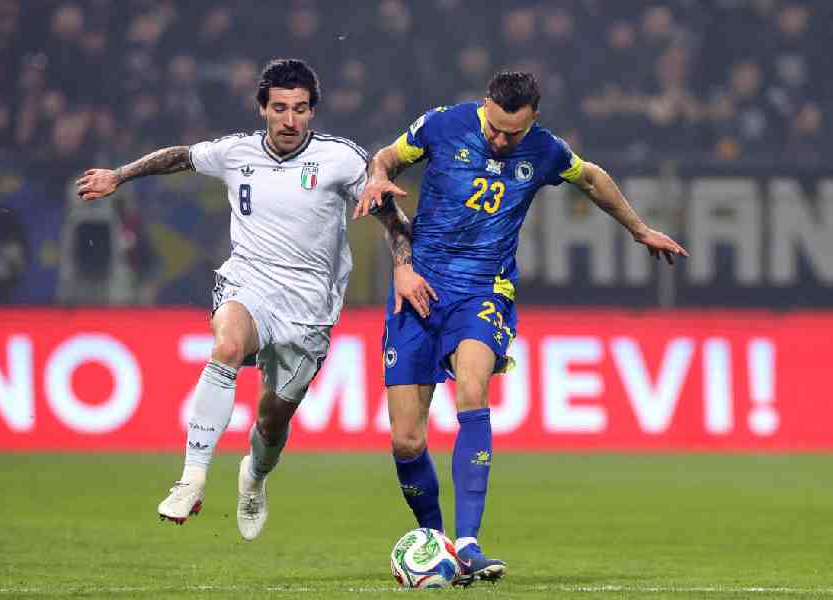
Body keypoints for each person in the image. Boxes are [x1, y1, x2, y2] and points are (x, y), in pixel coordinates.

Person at [354, 71, 688, 585]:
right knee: (405, 440)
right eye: (495, 128)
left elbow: (593, 178)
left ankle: (468, 543)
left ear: (533, 119)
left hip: (484, 290)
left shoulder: (546, 151)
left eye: (513, 134)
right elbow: (386, 158)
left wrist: (641, 231)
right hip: (420, 285)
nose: (500, 140)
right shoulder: (443, 125)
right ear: (486, 104)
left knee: (471, 386)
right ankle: (437, 543)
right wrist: (377, 178)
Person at [75, 58, 416, 540]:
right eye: (280, 108)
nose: (290, 120)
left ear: (312, 112)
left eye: (300, 109)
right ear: (263, 108)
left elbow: (392, 217)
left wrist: (402, 267)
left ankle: (254, 476)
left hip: (311, 307)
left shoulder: (341, 158)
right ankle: (191, 478)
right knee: (228, 346)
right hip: (249, 282)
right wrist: (120, 175)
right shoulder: (236, 153)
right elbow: (181, 156)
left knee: (273, 420)